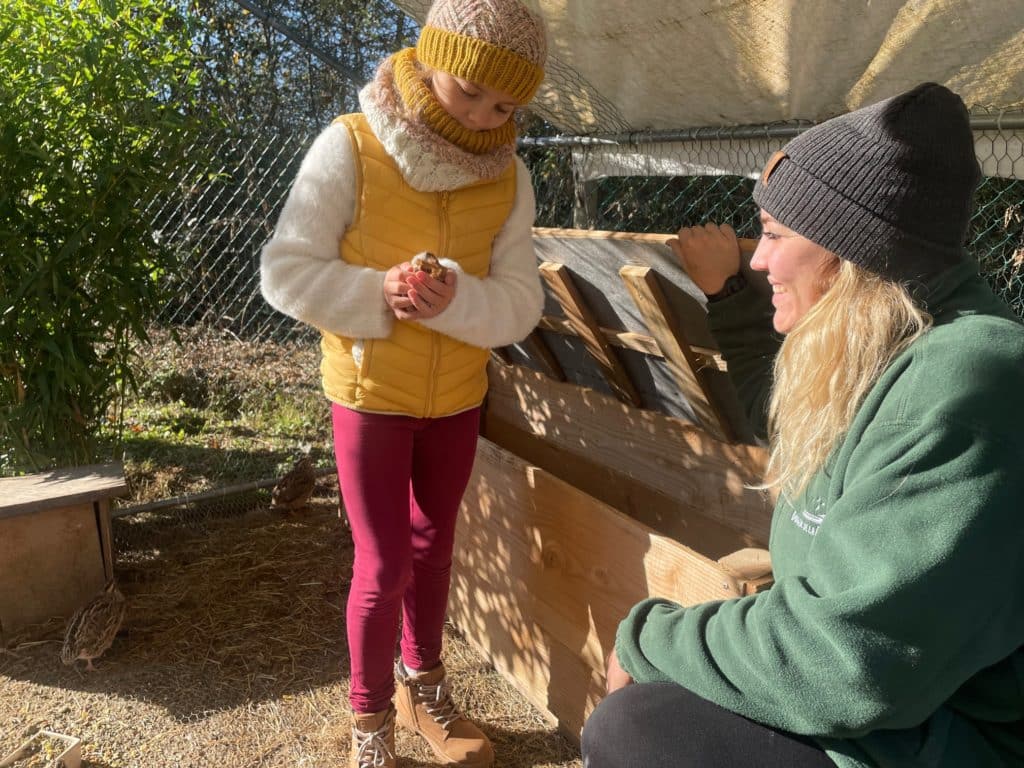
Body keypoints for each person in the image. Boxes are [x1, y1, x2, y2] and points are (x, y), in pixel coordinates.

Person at [581, 82, 1024, 767]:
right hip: (897, 703)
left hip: (956, 733)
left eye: (775, 235)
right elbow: (777, 414)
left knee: (637, 729)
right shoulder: (874, 347)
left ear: (848, 254)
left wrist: (649, 640)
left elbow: (855, 662)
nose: (758, 259)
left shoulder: (967, 377)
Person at [259, 1, 547, 765]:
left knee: (435, 545)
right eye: (470, 91)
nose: (487, 117)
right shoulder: (351, 145)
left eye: (507, 105)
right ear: (426, 63)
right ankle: (370, 720)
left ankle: (426, 687)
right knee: (383, 565)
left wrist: (462, 301)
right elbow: (284, 273)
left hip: (456, 397)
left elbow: (521, 303)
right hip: (370, 395)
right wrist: (373, 294)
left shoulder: (511, 176)